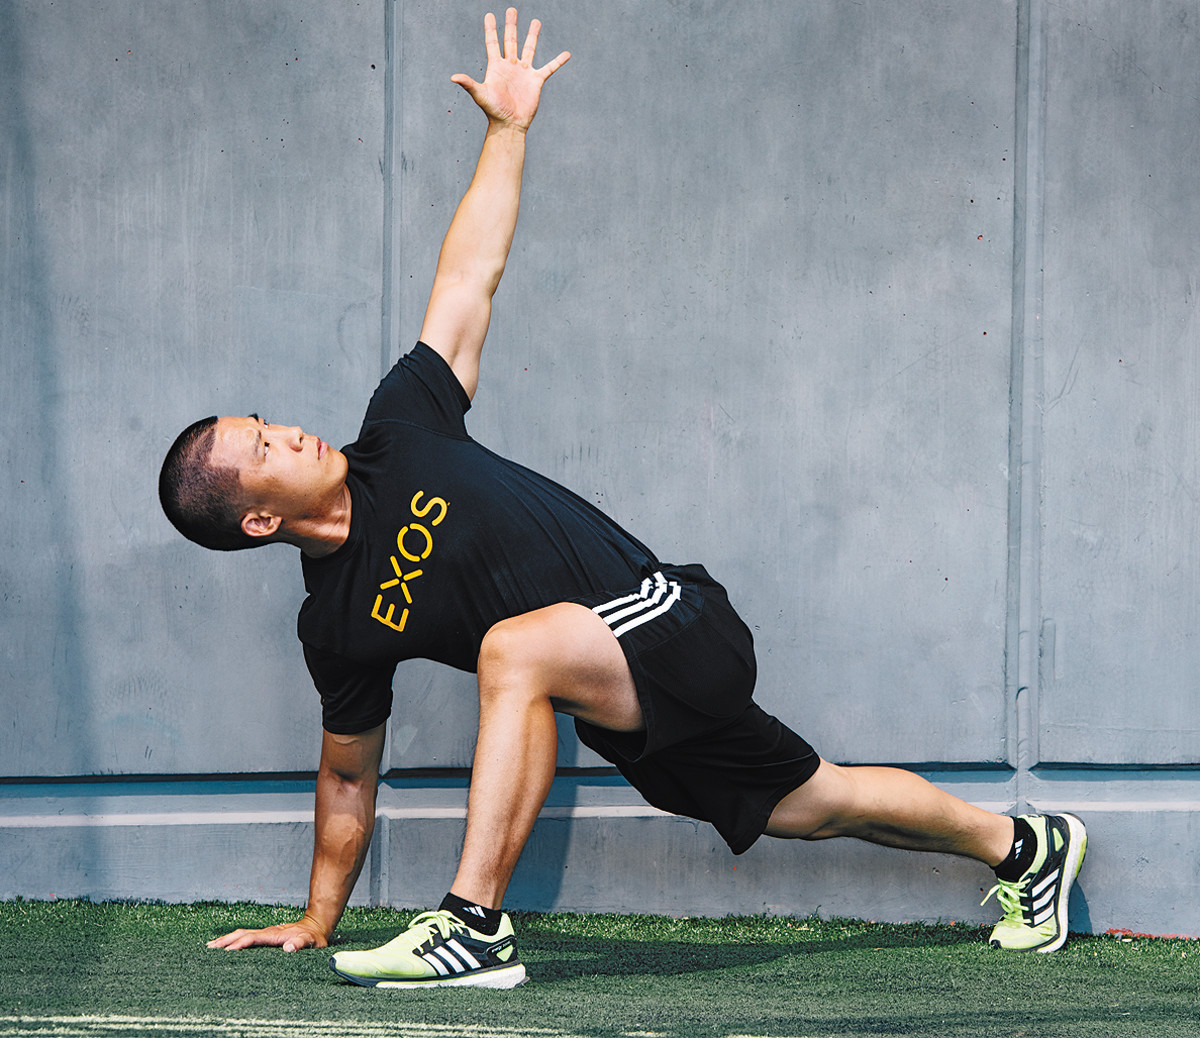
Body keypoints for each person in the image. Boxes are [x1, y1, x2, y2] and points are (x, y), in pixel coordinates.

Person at [159, 8, 1086, 990]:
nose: (289, 432)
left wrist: (507, 132)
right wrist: (315, 916)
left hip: (675, 617)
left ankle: (472, 926)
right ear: (259, 519)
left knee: (509, 649)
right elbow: (347, 773)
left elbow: (469, 277)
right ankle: (1027, 848)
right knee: (818, 802)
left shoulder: (402, 426)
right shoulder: (337, 625)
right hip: (621, 701)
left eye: (269, 422)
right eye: (264, 448)